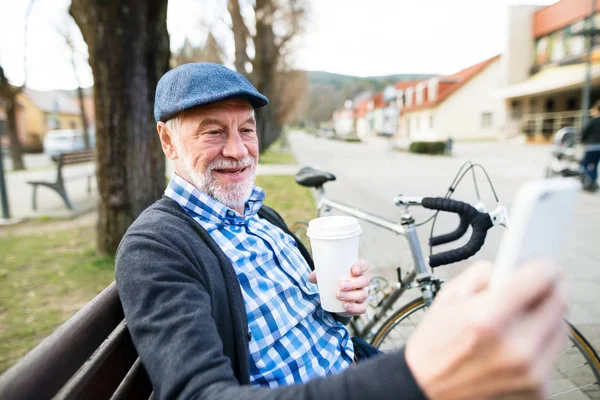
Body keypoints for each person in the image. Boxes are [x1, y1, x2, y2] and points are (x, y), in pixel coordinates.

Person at [115, 63, 567, 400]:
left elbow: (323, 325)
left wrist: (338, 302)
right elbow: (200, 395)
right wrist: (414, 372)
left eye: (246, 129)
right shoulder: (156, 248)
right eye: (212, 132)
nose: (237, 151)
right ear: (168, 141)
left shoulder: (263, 218)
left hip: (352, 369)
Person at [580, 99, 600, 192]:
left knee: (584, 165)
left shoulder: (593, 121)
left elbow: (584, 133)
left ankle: (587, 182)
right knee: (594, 165)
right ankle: (593, 182)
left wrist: (582, 141)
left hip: (591, 147)